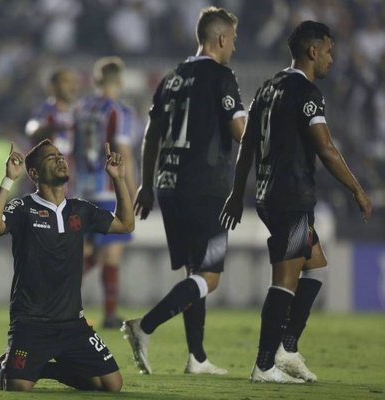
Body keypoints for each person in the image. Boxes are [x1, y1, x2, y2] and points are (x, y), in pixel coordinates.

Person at [220, 21, 372, 383]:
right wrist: (358, 189)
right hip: (291, 194)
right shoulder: (307, 92)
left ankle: (286, 349)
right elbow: (326, 148)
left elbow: (247, 147)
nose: (333, 59)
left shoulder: (268, 88)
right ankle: (264, 364)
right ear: (313, 50)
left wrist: (237, 193)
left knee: (316, 266)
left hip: (269, 194)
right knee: (286, 279)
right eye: (330, 51)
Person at [121, 6, 246, 376]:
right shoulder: (222, 76)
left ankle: (197, 358)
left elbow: (151, 134)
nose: (235, 48)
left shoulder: (172, 76)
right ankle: (144, 326)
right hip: (207, 187)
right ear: (221, 38)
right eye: (234, 40)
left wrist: (145, 183)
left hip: (169, 185)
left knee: (194, 274)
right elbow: (240, 130)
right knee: (209, 277)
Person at [0, 139, 133, 392]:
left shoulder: (80, 209)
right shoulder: (24, 208)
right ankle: (8, 366)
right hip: (31, 323)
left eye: (60, 155)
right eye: (51, 158)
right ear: (34, 173)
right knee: (17, 387)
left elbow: (126, 224)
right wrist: (8, 180)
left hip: (72, 324)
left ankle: (43, 368)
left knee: (111, 385)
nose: (60, 159)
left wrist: (118, 179)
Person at [73, 56, 137, 328]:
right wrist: (132, 192)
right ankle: (110, 313)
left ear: (97, 80)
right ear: (119, 81)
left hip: (83, 188)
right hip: (109, 189)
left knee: (84, 252)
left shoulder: (82, 108)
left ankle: (54, 300)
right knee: (110, 254)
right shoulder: (118, 111)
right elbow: (124, 153)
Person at [25, 67, 79, 195]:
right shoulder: (45, 111)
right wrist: (56, 127)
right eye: (65, 82)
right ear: (53, 87)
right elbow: (32, 130)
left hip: (69, 182)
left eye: (73, 82)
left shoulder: (76, 114)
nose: (71, 86)